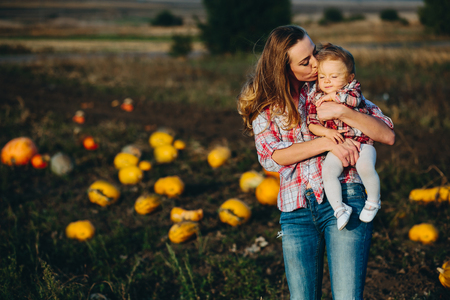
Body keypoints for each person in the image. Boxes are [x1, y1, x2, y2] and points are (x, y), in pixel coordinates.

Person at [237, 25, 395, 300]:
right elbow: (271, 157)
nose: (316, 62)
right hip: (295, 211)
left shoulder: (331, 87)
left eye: (314, 52)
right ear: (284, 69)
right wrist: (325, 142)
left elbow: (386, 134)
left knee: (347, 296)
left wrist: (341, 111)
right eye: (305, 61)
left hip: (345, 197)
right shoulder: (265, 107)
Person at [307, 43, 382, 231]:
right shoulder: (316, 97)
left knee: (365, 167)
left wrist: (334, 96)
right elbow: (312, 124)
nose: (327, 81)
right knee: (328, 172)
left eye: (334, 76)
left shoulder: (352, 90)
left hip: (362, 144)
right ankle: (340, 209)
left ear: (350, 77)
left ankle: (373, 201)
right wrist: (327, 132)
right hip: (338, 143)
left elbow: (354, 101)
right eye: (322, 77)